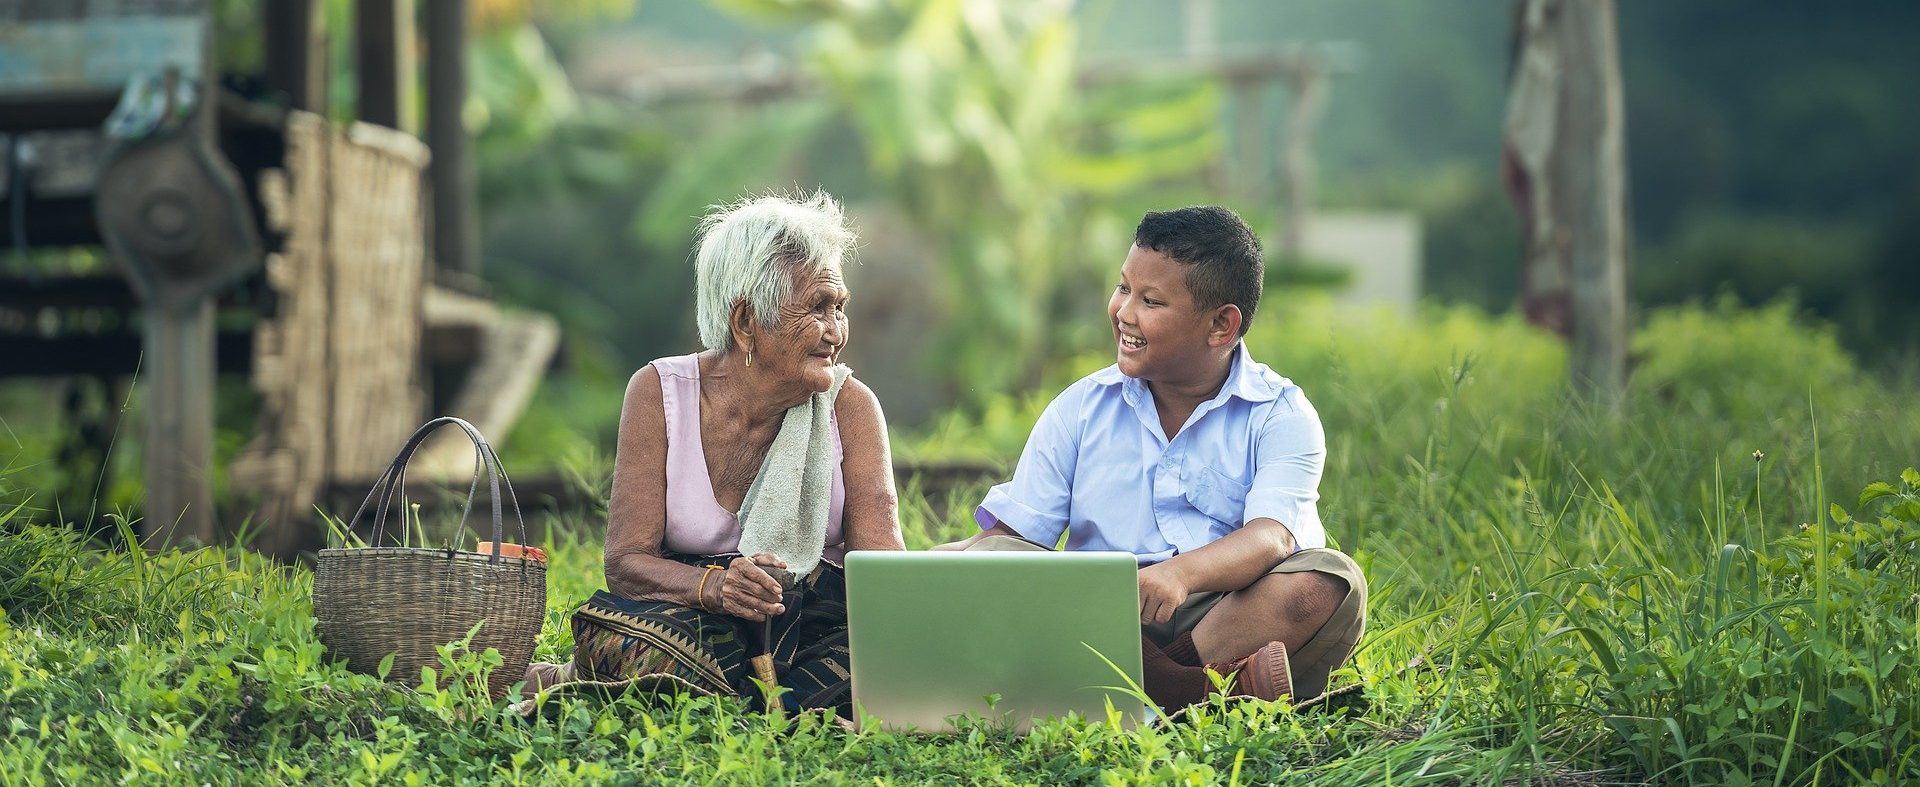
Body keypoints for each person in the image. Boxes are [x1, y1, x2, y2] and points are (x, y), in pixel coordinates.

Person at [936, 206, 1367, 707]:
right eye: (1123, 289)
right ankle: (1190, 692)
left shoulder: (1280, 414)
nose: (1123, 313)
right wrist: (946, 563)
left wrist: (1180, 575)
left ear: (1222, 325)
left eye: (1152, 301)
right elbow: (1014, 538)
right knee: (991, 559)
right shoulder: (1080, 408)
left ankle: (1129, 690)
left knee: (1329, 583)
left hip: (1221, 616)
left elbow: (1272, 537)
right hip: (1094, 613)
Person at [527, 191, 903, 716]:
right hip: (698, 620)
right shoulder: (658, 392)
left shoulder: (852, 408)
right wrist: (717, 585)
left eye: (839, 307)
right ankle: (773, 706)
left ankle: (733, 702)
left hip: (814, 625)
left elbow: (884, 579)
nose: (836, 332)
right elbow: (626, 563)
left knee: (876, 663)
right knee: (647, 646)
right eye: (818, 307)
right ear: (746, 321)